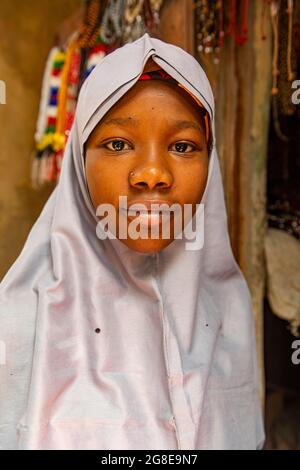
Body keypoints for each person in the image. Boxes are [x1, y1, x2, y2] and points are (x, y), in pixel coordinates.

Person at [0, 32, 265, 450]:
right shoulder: (17, 323)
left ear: (209, 164)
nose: (152, 174)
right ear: (78, 161)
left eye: (182, 145)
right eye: (118, 144)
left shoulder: (227, 312)